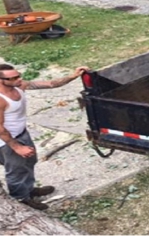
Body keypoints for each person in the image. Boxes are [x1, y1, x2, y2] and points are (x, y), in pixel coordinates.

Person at [0, 63, 90, 210]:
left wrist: (73, 76)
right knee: (16, 170)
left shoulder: (19, 86)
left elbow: (50, 83)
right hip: (6, 140)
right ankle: (21, 200)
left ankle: (28, 189)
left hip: (21, 133)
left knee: (29, 161)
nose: (19, 79)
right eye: (13, 78)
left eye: (18, 75)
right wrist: (17, 147)